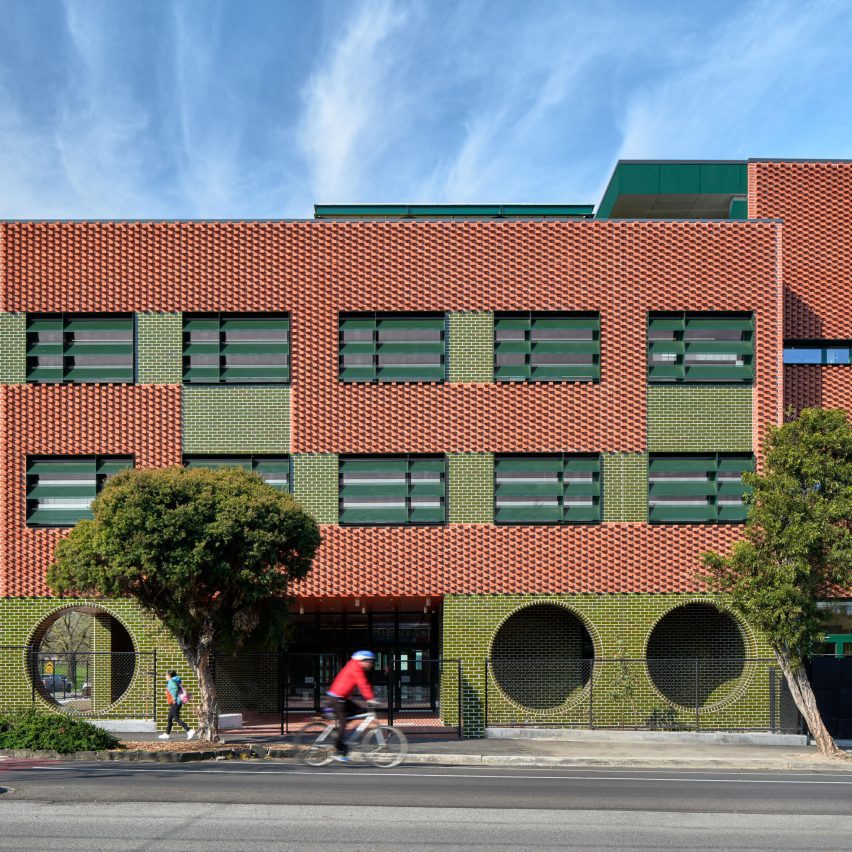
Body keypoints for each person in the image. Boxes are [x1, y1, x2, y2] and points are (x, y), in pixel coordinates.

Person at [326, 650, 378, 762]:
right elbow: (362, 684)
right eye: (369, 662)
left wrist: (370, 697)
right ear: (362, 660)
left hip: (342, 698)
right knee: (343, 723)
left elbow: (365, 684)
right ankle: (339, 749)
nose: (371, 664)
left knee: (360, 710)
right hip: (337, 698)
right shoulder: (355, 668)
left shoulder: (355, 666)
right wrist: (370, 698)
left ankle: (344, 735)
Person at [159, 669, 196, 740]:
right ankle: (167, 734)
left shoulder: (171, 681)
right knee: (170, 718)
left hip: (175, 702)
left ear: (169, 676)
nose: (165, 676)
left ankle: (189, 730)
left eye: (166, 675)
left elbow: (174, 689)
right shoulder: (174, 680)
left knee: (176, 718)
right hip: (176, 702)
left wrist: (174, 699)